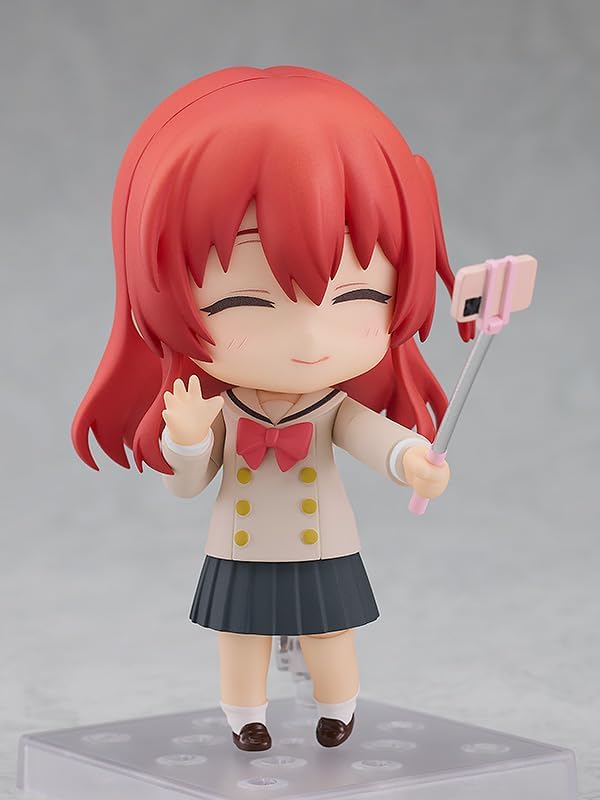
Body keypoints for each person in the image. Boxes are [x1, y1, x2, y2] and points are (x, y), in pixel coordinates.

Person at [72, 66, 473, 752]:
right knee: (240, 636)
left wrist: (414, 461)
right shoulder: (220, 409)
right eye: (244, 301)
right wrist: (188, 439)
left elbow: (375, 436)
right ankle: (244, 716)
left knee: (331, 632)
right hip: (241, 543)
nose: (311, 339)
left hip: (324, 540)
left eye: (357, 297)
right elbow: (186, 486)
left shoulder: (332, 407)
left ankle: (338, 707)